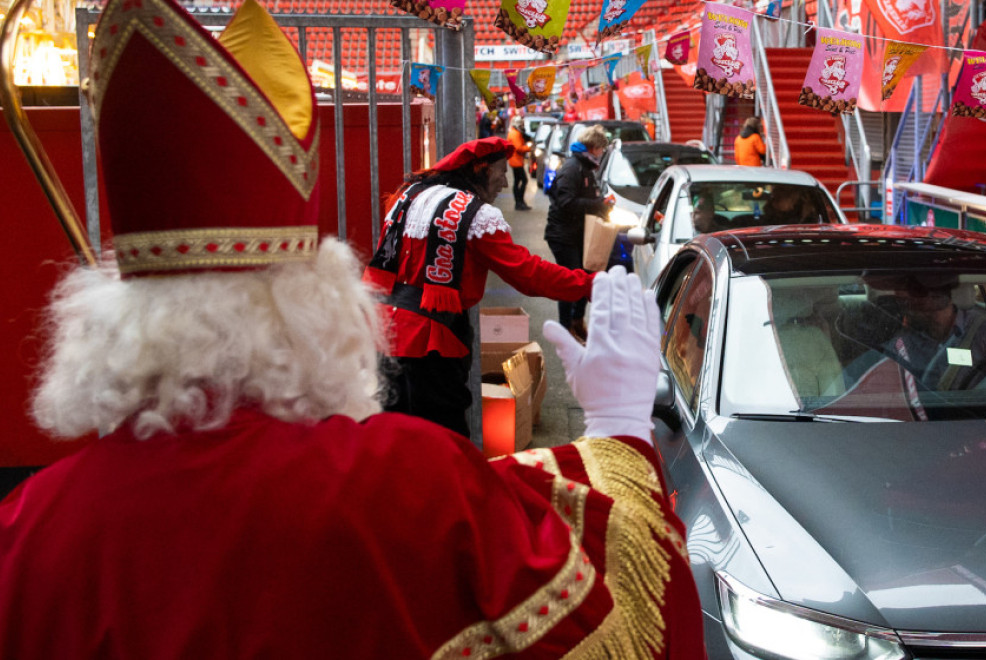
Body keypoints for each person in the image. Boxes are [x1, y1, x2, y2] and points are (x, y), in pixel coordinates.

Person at [0, 0, 703, 657]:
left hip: (410, 328)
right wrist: (618, 426)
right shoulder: (412, 482)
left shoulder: (25, 532)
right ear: (305, 305)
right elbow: (606, 602)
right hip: (439, 343)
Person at [364, 136, 594, 437]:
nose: (504, 182)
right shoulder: (475, 216)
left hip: (381, 332)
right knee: (444, 439)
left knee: (393, 437)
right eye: (501, 172)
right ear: (482, 171)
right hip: (430, 343)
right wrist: (591, 284)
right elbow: (528, 274)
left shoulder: (409, 196)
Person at [881, 275, 986, 393]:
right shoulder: (904, 343)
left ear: (941, 298)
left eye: (916, 301)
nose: (909, 309)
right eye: (908, 303)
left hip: (979, 419)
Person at [545, 125, 612, 340]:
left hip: (578, 234)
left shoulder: (585, 167)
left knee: (585, 276)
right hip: (563, 235)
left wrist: (601, 203)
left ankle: (576, 320)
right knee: (570, 281)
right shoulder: (572, 168)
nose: (601, 153)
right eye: (601, 149)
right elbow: (565, 202)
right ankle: (566, 328)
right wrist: (597, 204)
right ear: (593, 148)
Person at [506, 116, 533, 211]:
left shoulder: (514, 132)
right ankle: (519, 202)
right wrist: (529, 148)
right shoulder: (515, 134)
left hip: (515, 160)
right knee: (523, 180)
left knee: (518, 181)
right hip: (516, 161)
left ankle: (519, 202)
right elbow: (518, 148)